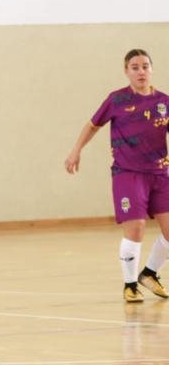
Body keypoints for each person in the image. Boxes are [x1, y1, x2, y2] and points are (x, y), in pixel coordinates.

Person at [65, 48, 169, 303]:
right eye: (135, 67)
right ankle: (130, 284)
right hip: (128, 173)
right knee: (136, 228)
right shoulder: (117, 100)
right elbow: (92, 125)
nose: (141, 71)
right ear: (126, 71)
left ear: (151, 69)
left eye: (145, 66)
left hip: (160, 173)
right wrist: (76, 150)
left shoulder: (164, 102)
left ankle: (150, 273)